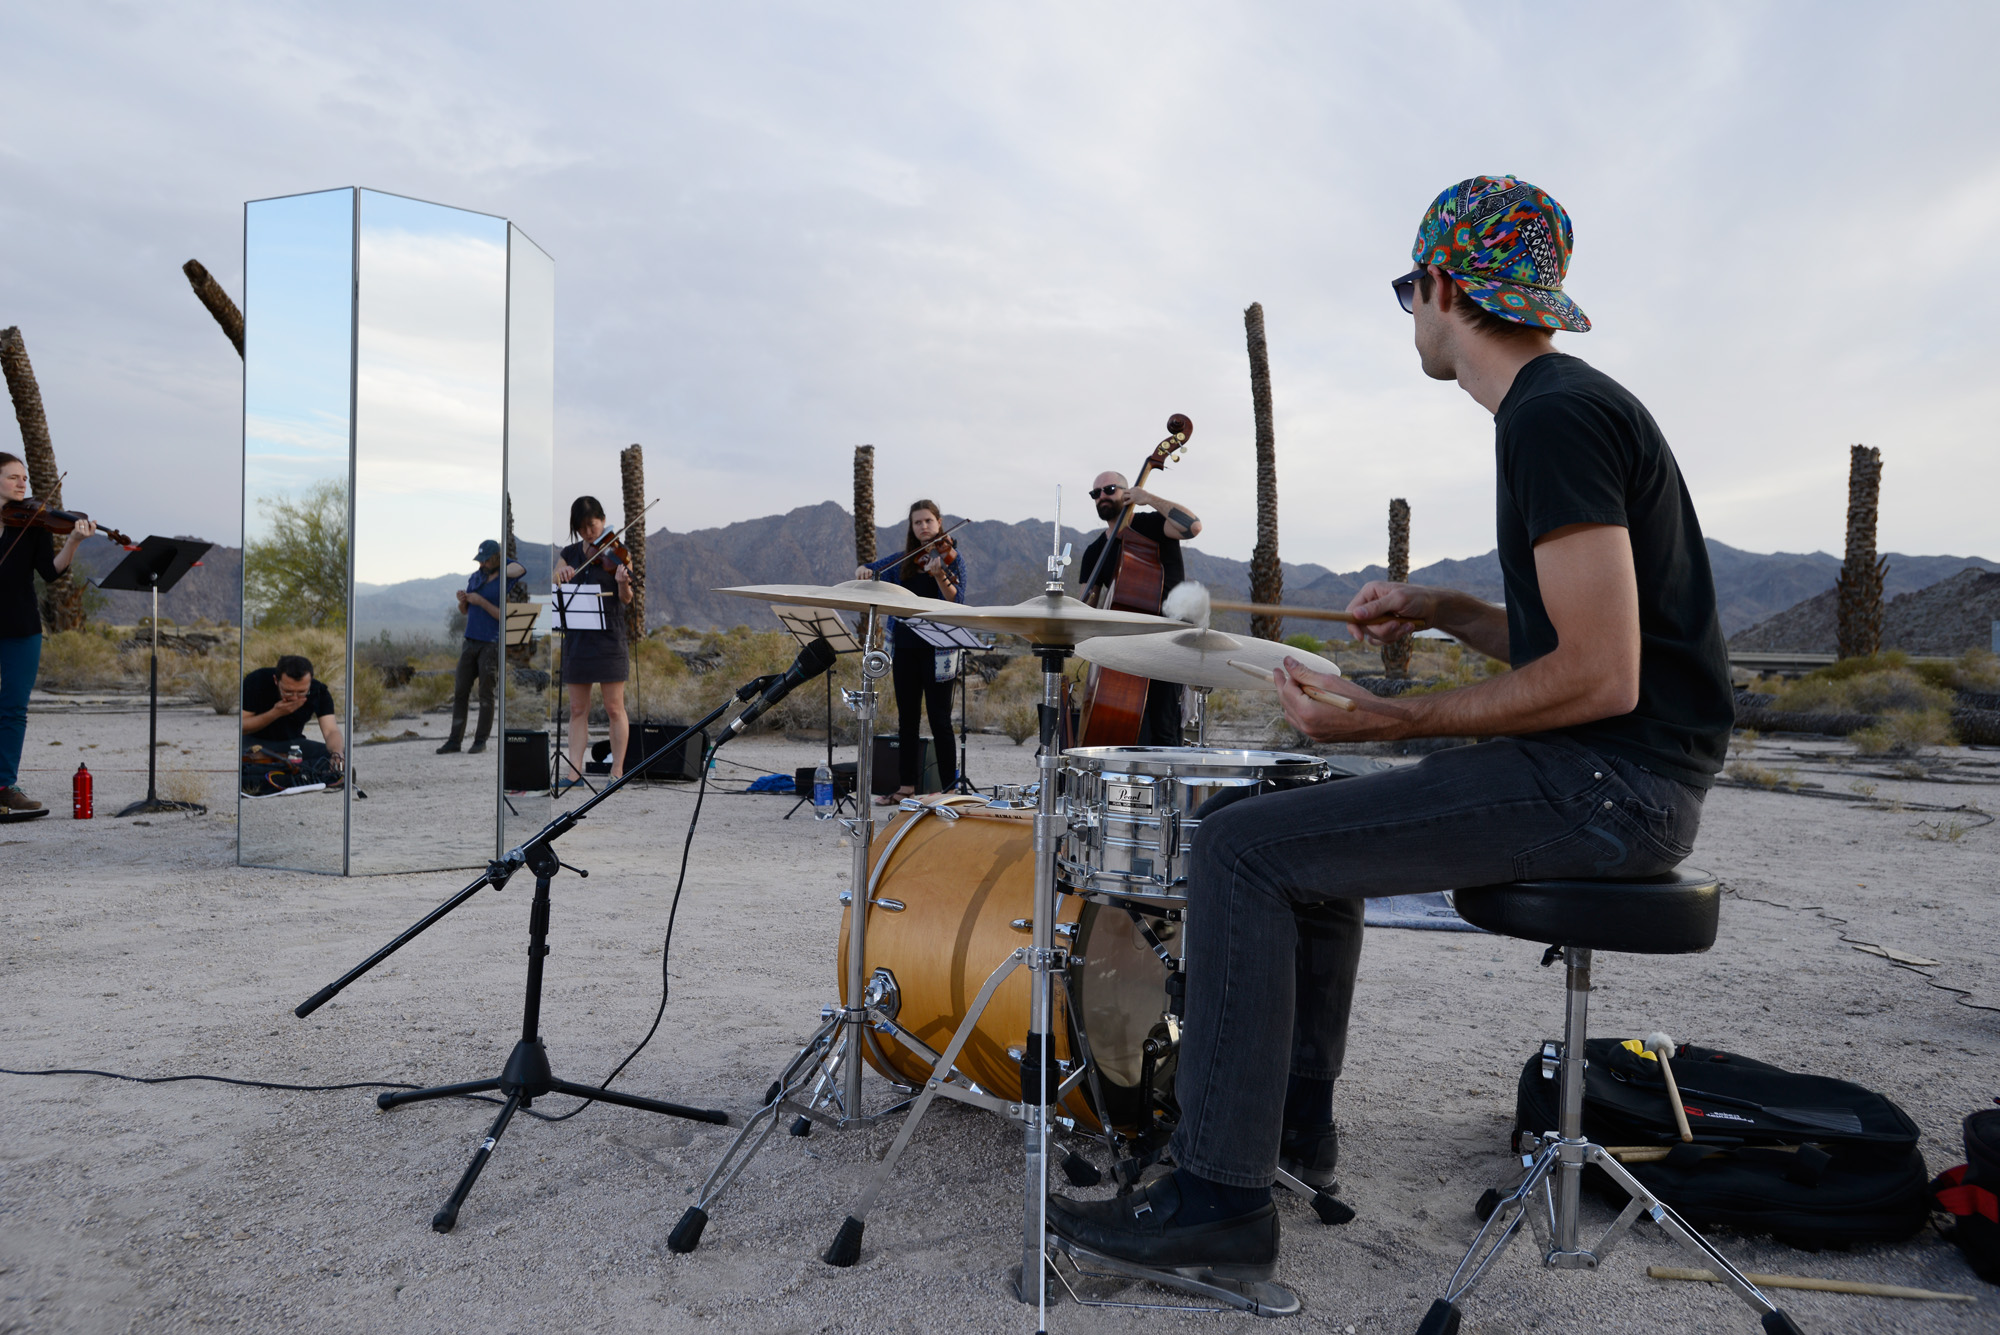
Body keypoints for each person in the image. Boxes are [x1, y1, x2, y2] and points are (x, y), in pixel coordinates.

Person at [1047, 177, 1734, 1287]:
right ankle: (1285, 1134)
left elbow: (1602, 678)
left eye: (1407, 288)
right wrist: (1449, 612)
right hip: (1617, 775)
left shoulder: (1552, 415)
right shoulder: (1566, 406)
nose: (1409, 311)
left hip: (1610, 787)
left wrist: (1389, 719)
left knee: (1240, 846)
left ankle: (1215, 1205)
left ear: (1445, 286)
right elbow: (1601, 643)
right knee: (1287, 835)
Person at [0, 451, 96, 813]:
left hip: (21, 627)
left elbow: (51, 572)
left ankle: (5, 785)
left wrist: (73, 541)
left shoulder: (35, 522)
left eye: (24, 477)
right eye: (13, 477)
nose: (22, 483)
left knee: (12, 709)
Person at [1077, 469, 1202, 744]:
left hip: (1166, 642)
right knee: (1126, 734)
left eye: (1109, 489)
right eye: (1095, 493)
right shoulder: (1094, 552)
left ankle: (1165, 787)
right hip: (1123, 652)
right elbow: (1087, 605)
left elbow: (1192, 526)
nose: (1101, 497)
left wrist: (1149, 498)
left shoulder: (1155, 525)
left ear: (1127, 492)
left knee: (1163, 734)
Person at [855, 499, 966, 804]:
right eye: (917, 522)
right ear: (912, 527)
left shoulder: (951, 560)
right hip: (904, 647)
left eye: (928, 521)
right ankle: (906, 787)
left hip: (938, 650)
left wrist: (940, 575)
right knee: (907, 720)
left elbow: (957, 601)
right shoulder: (904, 559)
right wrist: (864, 569)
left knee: (940, 720)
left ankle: (950, 790)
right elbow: (873, 569)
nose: (923, 527)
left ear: (939, 522)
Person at [554, 496, 632, 787]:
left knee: (614, 708)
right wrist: (559, 574)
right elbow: (556, 580)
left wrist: (623, 583)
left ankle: (617, 772)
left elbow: (626, 599)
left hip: (609, 637)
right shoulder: (569, 553)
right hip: (578, 639)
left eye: (593, 524)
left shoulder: (618, 552)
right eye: (582, 527)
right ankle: (574, 773)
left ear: (602, 519)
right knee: (577, 709)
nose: (589, 532)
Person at [438, 539, 526, 755]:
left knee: (486, 692)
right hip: (471, 639)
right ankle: (454, 740)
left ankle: (480, 740)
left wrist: (481, 601)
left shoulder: (505, 578)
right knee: (461, 691)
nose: (482, 564)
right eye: (480, 560)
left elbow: (520, 570)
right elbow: (465, 611)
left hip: (492, 641)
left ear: (495, 558)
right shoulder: (476, 577)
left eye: (486, 560)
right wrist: (463, 601)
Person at [241, 653, 346, 790]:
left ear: (310, 682)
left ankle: (287, 774)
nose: (295, 697)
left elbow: (331, 730)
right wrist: (275, 713)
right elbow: (242, 726)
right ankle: (297, 774)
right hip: (254, 744)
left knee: (339, 756)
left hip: (293, 746)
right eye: (288, 692)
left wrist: (337, 753)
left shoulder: (319, 690)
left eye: (302, 692)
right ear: (276, 681)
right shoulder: (256, 681)